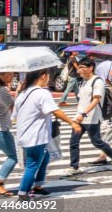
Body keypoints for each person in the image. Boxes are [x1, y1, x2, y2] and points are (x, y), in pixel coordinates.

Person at [13, 69, 81, 200]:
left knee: (45, 158)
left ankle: (38, 186)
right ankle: (23, 193)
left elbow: (15, 115)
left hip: (26, 134)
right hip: (35, 136)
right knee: (33, 164)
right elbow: (55, 111)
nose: (49, 78)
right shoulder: (42, 93)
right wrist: (72, 123)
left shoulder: (22, 94)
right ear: (43, 76)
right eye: (48, 75)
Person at [66, 58, 112, 176]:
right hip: (79, 117)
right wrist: (79, 114)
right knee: (73, 142)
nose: (79, 70)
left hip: (91, 117)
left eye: (82, 67)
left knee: (96, 142)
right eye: (79, 67)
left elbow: (96, 100)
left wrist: (83, 113)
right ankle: (74, 167)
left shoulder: (97, 82)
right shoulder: (83, 81)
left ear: (90, 68)